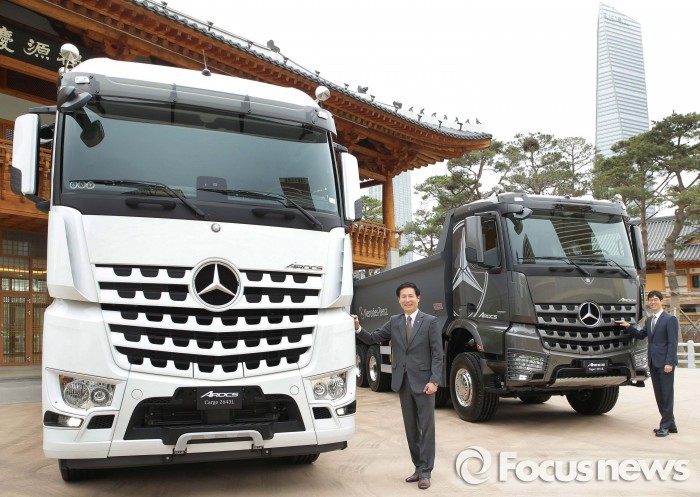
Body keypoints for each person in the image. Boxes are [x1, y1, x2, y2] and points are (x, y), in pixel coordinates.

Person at [352, 282, 443, 490]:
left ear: (418, 298)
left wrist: (434, 380)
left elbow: (438, 354)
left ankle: (426, 472)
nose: (407, 300)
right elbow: (373, 338)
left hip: (425, 383)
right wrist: (357, 327)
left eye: (411, 296)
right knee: (411, 429)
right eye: (403, 296)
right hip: (403, 382)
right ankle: (418, 468)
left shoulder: (430, 322)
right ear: (399, 300)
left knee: (427, 428)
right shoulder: (394, 322)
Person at [617, 290, 679, 437]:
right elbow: (640, 335)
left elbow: (672, 343)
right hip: (653, 362)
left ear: (661, 301)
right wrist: (628, 326)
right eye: (650, 300)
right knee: (659, 395)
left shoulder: (670, 319)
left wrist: (669, 362)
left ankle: (664, 426)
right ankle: (671, 424)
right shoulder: (650, 320)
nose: (653, 302)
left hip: (665, 364)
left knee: (666, 395)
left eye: (655, 299)